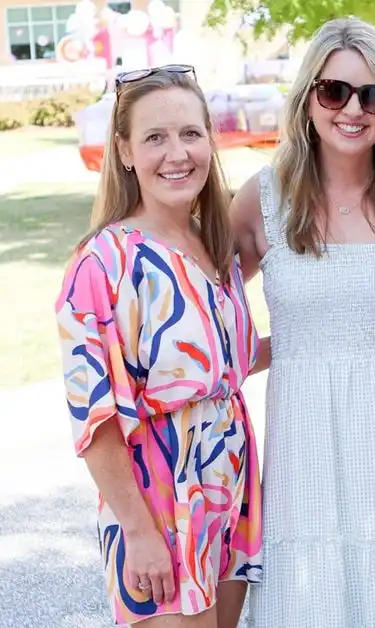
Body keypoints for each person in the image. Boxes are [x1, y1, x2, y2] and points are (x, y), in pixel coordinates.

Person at [231, 17, 375, 628]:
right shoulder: (265, 198)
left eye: (374, 95)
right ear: (308, 98)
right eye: (335, 91)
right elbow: (203, 309)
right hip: (305, 444)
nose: (353, 109)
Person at [55, 65, 265, 628]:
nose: (177, 153)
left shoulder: (213, 249)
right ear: (123, 151)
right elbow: (93, 417)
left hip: (228, 488)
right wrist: (139, 532)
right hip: (158, 500)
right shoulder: (104, 263)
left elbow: (228, 363)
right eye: (155, 137)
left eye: (190, 134)